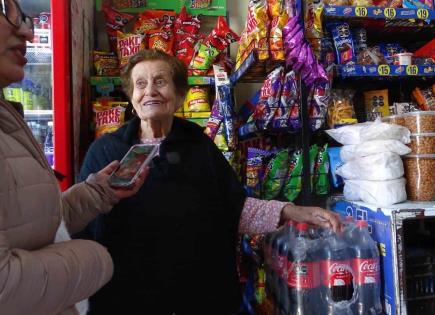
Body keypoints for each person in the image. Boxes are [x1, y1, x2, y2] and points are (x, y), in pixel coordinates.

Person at [79, 49, 342, 314]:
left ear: (180, 94)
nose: (150, 91)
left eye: (160, 81)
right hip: (126, 299)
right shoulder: (105, 152)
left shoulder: (199, 146)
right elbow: (84, 228)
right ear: (131, 96)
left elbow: (233, 208)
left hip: (198, 296)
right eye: (140, 84)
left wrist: (293, 211)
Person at [0, 1, 148, 314]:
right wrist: (99, 260)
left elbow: (32, 227)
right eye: (7, 11)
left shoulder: (8, 120)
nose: (28, 31)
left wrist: (96, 193)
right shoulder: (106, 146)